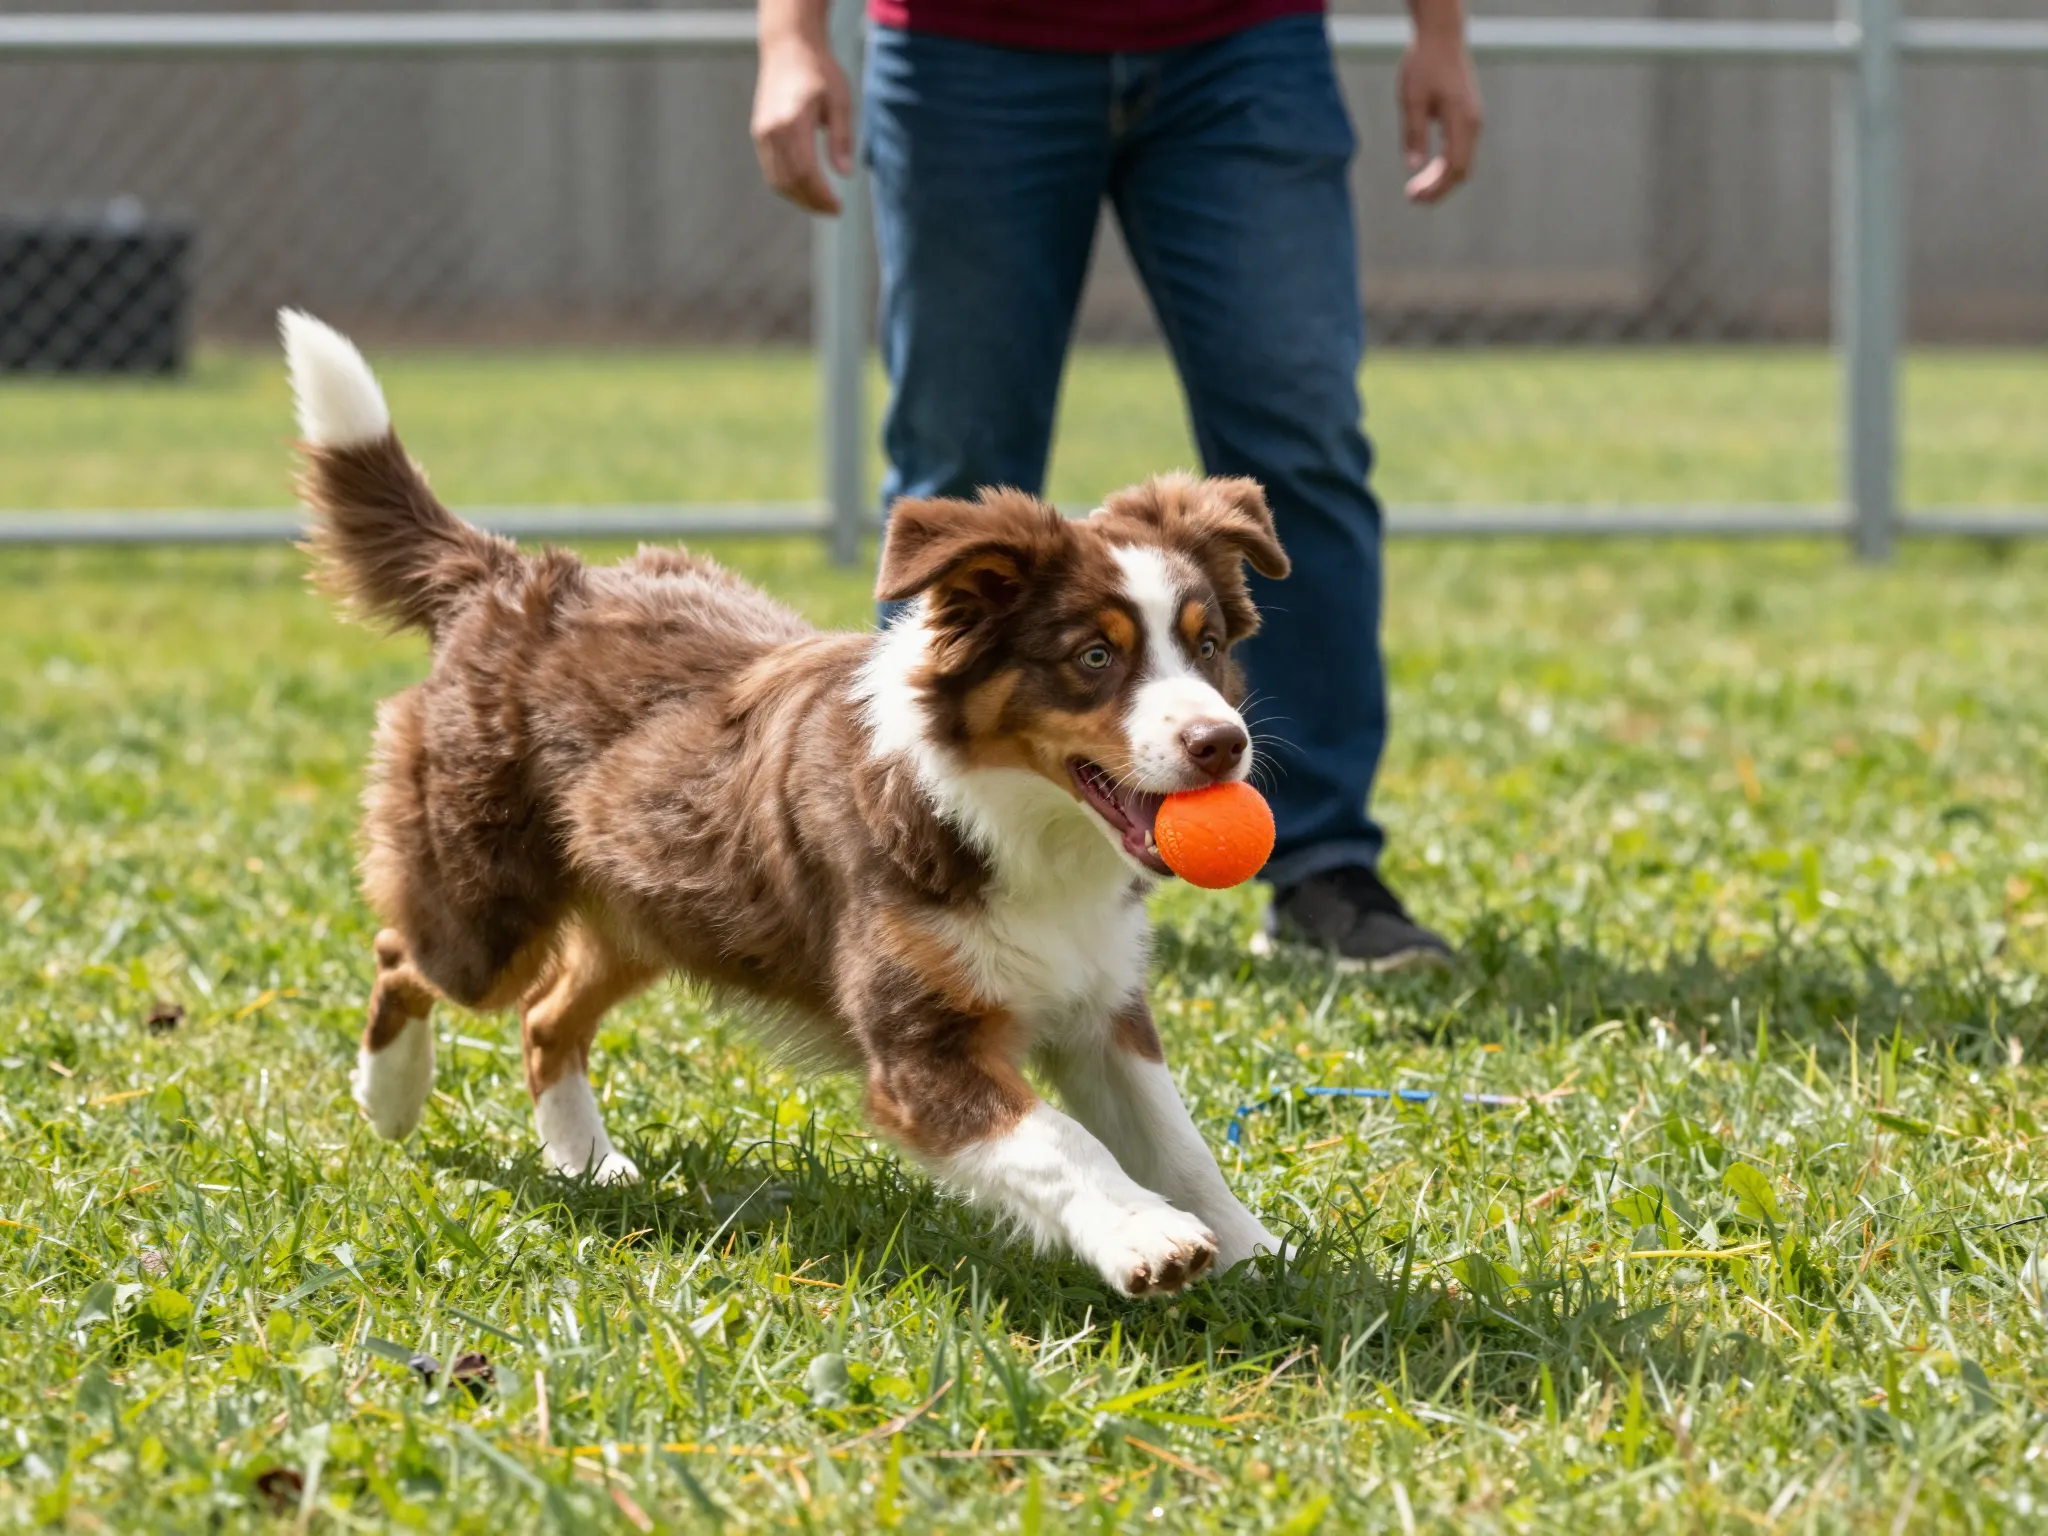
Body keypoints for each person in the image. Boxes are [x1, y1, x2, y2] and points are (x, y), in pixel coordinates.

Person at [751, 0, 1482, 970]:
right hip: (963, 47)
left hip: (1243, 39)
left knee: (1300, 448)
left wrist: (1438, 32)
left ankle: (1320, 863)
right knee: (958, 466)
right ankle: (920, 875)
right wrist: (790, 39)